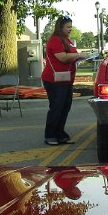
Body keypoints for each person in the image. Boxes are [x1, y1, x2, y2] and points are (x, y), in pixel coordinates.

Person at [41, 16, 86, 145]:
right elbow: (63, 58)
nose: (70, 29)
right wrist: (78, 55)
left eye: (71, 26)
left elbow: (70, 56)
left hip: (66, 80)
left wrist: (79, 57)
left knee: (65, 107)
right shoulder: (55, 40)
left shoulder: (66, 40)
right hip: (54, 80)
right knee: (56, 107)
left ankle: (60, 134)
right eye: (68, 27)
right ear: (60, 27)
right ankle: (50, 135)